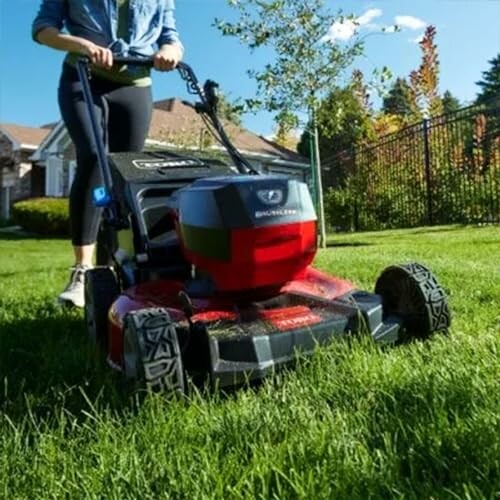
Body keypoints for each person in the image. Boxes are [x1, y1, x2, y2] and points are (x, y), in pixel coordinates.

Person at [32, 0, 183, 307]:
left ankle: (114, 267)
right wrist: (84, 45)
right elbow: (43, 30)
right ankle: (82, 269)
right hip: (83, 76)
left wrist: (171, 53)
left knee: (127, 175)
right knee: (93, 158)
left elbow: (171, 36)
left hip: (136, 85)